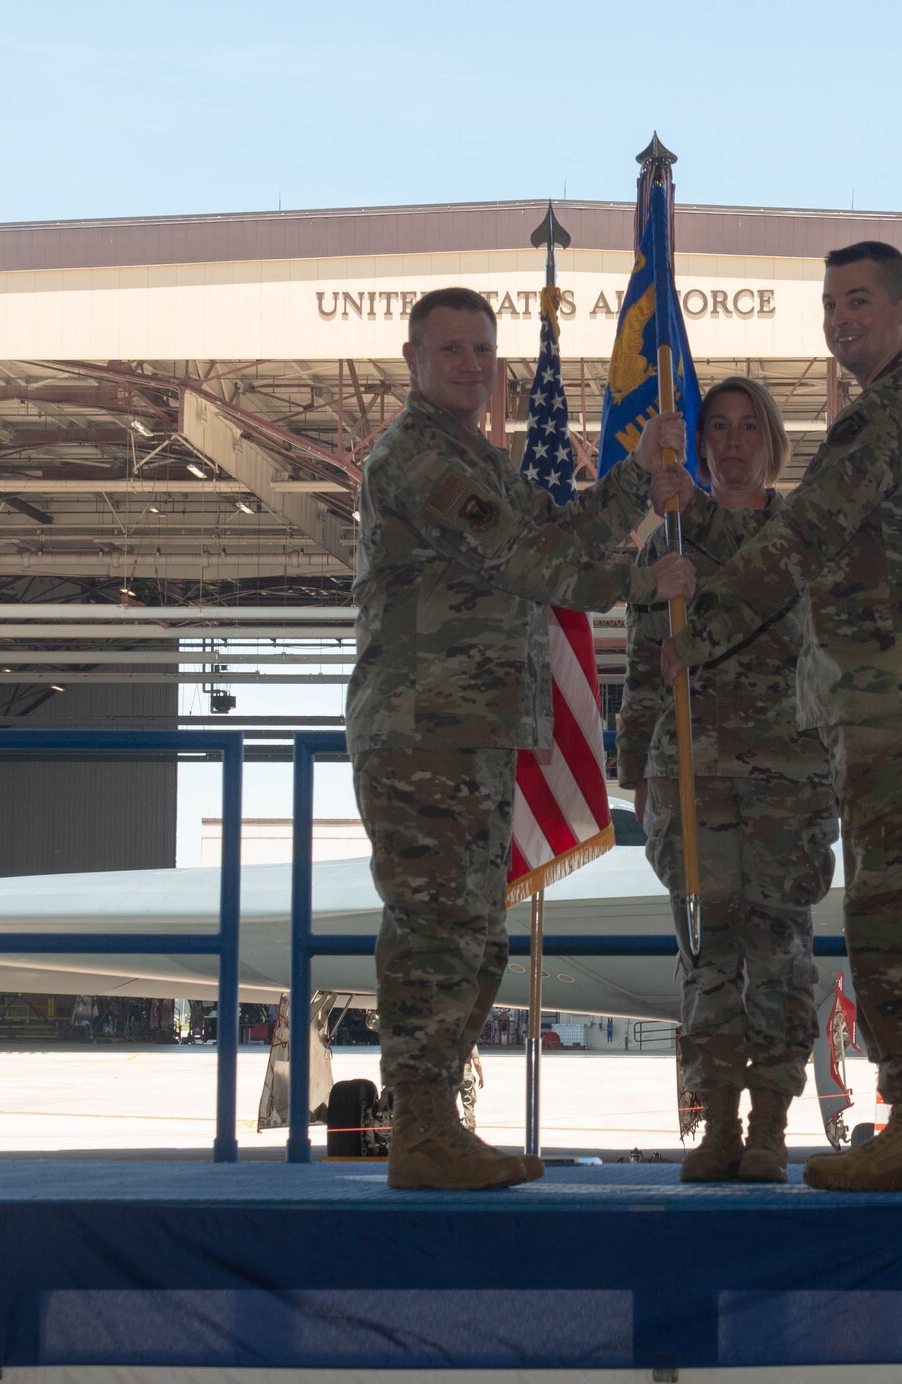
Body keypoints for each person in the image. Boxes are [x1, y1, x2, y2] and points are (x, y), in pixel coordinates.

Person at [654, 242, 902, 1191]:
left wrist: (703, 628)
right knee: (894, 902)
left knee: (901, 909)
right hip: (890, 699)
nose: (843, 319)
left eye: (860, 301)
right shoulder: (901, 409)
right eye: (831, 303)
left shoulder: (889, 415)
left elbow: (798, 540)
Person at [347, 286, 692, 1191]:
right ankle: (419, 1128)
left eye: (481, 349)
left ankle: (435, 1127)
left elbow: (553, 529)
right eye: (451, 348)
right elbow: (536, 564)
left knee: (472, 936)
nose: (470, 363)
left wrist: (633, 485)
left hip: (473, 730)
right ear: (413, 360)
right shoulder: (418, 460)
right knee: (435, 931)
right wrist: (647, 577)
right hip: (426, 736)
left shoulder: (479, 460)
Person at [620, 376, 836, 1183]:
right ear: (698, 442)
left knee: (779, 956)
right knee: (706, 957)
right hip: (692, 776)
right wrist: (635, 764)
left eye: (750, 427)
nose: (735, 442)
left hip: (790, 781)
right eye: (719, 428)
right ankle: (716, 1123)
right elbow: (644, 666)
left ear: (773, 440)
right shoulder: (668, 542)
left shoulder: (802, 536)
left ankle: (773, 1124)